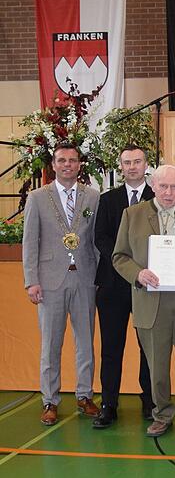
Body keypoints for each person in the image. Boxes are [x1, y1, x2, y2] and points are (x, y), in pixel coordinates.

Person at [112, 164, 175, 437]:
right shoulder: (132, 215)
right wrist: (139, 273)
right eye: (164, 186)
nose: (169, 193)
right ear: (153, 186)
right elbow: (119, 256)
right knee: (156, 366)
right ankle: (161, 413)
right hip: (150, 303)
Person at [22, 142, 101, 426]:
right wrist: (31, 281)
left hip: (85, 279)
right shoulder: (37, 197)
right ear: (53, 165)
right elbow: (30, 241)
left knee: (85, 343)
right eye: (62, 160)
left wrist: (100, 276)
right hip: (50, 281)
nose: (67, 164)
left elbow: (97, 239)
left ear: (80, 165)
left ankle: (84, 395)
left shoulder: (93, 197)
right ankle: (49, 400)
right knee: (50, 344)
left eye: (72, 160)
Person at [92, 144, 154, 428]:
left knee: (149, 347)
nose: (132, 167)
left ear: (146, 165)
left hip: (148, 285)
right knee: (111, 348)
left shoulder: (159, 196)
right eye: (127, 162)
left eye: (137, 161)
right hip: (112, 286)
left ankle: (150, 401)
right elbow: (100, 238)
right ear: (121, 166)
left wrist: (142, 269)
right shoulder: (108, 200)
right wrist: (125, 264)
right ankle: (109, 404)